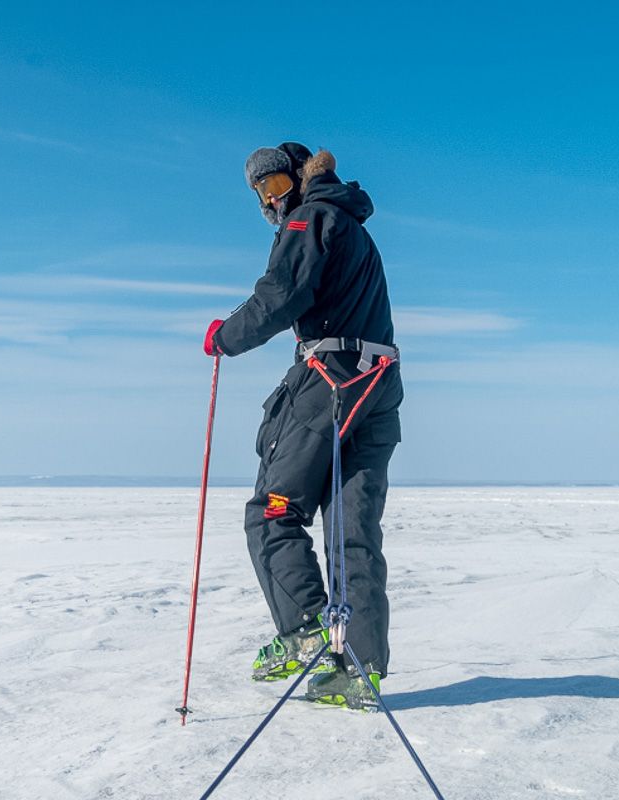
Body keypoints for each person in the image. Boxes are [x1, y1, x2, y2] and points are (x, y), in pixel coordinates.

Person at [202, 142, 403, 710]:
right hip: (378, 382)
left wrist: (224, 336)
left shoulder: (310, 217)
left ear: (297, 177)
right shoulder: (351, 226)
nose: (272, 200)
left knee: (272, 511)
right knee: (350, 530)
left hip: (331, 380)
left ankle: (305, 629)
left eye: (276, 186)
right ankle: (358, 668)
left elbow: (279, 296)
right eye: (262, 194)